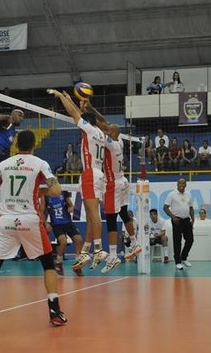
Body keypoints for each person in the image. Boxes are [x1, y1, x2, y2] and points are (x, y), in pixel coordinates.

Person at [0, 130, 66, 334]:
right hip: (30, 221)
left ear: (16, 145)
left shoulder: (2, 165)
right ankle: (55, 311)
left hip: (5, 222)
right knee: (48, 264)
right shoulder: (40, 163)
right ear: (34, 145)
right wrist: (39, 189)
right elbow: (56, 191)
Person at [48, 89, 108, 271]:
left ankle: (98, 249)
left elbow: (74, 114)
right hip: (100, 174)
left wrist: (62, 97)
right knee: (91, 215)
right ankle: (85, 252)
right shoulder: (101, 133)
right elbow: (89, 117)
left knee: (93, 214)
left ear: (86, 123)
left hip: (90, 174)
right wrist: (79, 104)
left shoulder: (88, 129)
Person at [87, 104, 143, 273]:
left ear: (112, 133)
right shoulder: (120, 141)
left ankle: (112, 256)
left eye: (108, 130)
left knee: (111, 219)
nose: (106, 129)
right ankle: (135, 243)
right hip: (123, 181)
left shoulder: (109, 142)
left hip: (112, 184)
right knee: (124, 213)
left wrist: (85, 113)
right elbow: (105, 123)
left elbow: (100, 125)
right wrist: (90, 106)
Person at [41, 191, 83, 275]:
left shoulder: (63, 193)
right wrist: (45, 223)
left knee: (79, 240)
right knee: (63, 242)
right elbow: (41, 211)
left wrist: (71, 208)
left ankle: (77, 265)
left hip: (68, 223)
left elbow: (71, 205)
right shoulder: (45, 196)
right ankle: (58, 263)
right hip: (57, 225)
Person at [163, 178, 194, 270]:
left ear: (186, 184)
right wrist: (173, 217)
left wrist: (193, 219)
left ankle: (184, 257)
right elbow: (165, 208)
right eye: (180, 183)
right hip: (177, 220)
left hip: (187, 220)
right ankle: (178, 262)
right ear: (177, 184)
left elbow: (191, 208)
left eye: (183, 183)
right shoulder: (171, 195)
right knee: (177, 241)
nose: (181, 184)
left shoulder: (188, 194)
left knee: (190, 240)